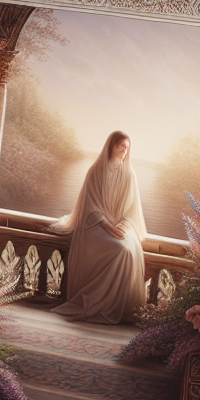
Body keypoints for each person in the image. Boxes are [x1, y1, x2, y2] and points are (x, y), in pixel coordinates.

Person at [49, 131, 147, 324]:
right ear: (111, 146)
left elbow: (130, 208)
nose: (124, 151)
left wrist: (120, 226)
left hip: (120, 224)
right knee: (119, 249)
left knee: (128, 248)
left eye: (126, 148)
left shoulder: (129, 173)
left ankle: (116, 304)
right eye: (120, 146)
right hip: (95, 225)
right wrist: (107, 225)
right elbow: (90, 206)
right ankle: (99, 302)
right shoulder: (96, 171)